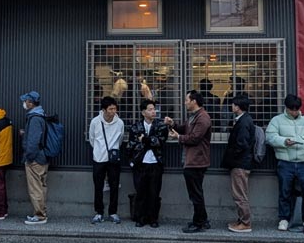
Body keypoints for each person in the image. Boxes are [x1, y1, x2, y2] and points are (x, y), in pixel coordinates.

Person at [266, 93, 304, 234]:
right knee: (284, 191)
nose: (294, 112)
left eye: (296, 109)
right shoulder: (277, 120)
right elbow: (269, 137)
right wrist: (283, 141)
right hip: (285, 162)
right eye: (291, 109)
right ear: (286, 108)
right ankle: (284, 218)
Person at [165, 90, 212, 233]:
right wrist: (173, 124)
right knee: (196, 193)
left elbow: (194, 138)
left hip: (197, 161)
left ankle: (199, 223)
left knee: (195, 194)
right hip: (192, 160)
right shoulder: (194, 117)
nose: (185, 102)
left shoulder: (203, 118)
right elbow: (184, 129)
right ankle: (202, 220)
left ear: (194, 101)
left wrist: (178, 137)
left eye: (186, 100)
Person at [123, 98, 168, 228]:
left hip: (155, 163)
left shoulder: (160, 126)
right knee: (140, 192)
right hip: (140, 163)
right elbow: (131, 145)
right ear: (143, 112)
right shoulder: (135, 127)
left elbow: (160, 141)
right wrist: (148, 142)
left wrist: (145, 140)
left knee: (154, 193)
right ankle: (140, 218)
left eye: (154, 109)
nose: (153, 111)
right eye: (150, 109)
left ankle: (153, 218)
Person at [221, 94, 255, 233]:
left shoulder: (243, 122)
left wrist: (233, 157)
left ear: (238, 107)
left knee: (240, 195)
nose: (231, 106)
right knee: (240, 193)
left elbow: (241, 144)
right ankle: (241, 220)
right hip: (241, 162)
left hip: (240, 163)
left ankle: (245, 223)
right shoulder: (244, 120)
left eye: (233, 104)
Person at [88, 96, 124, 224]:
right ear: (104, 110)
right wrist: (99, 149)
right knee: (98, 186)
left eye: (115, 108)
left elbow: (120, 139)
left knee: (114, 186)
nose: (113, 111)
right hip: (98, 158)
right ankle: (99, 212)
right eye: (110, 109)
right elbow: (92, 138)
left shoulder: (120, 122)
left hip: (114, 158)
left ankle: (113, 212)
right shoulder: (95, 122)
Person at [20, 91, 49, 225]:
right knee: (41, 186)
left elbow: (33, 141)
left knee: (35, 188)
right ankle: (41, 213)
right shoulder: (40, 115)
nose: (24, 103)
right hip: (42, 157)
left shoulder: (35, 118)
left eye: (26, 101)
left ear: (31, 103)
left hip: (35, 158)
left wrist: (29, 157)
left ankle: (40, 215)